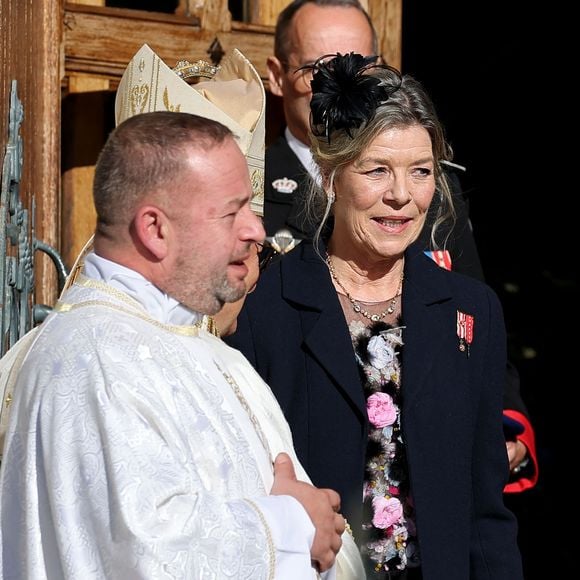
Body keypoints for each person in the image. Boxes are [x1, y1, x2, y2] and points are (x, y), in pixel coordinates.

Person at [0, 110, 370, 578]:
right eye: (231, 211)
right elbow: (148, 552)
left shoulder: (199, 345)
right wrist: (293, 525)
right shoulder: (93, 358)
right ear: (155, 229)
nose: (256, 231)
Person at [226, 52, 524, 578]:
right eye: (377, 169)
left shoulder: (470, 313)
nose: (401, 196)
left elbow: (484, 511)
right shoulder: (266, 306)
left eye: (421, 172)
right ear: (332, 174)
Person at [263, 0, 536, 492]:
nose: (337, 85)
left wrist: (502, 426)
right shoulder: (250, 186)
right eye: (316, 70)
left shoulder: (431, 190)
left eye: (358, 68)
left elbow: (470, 322)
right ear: (278, 76)